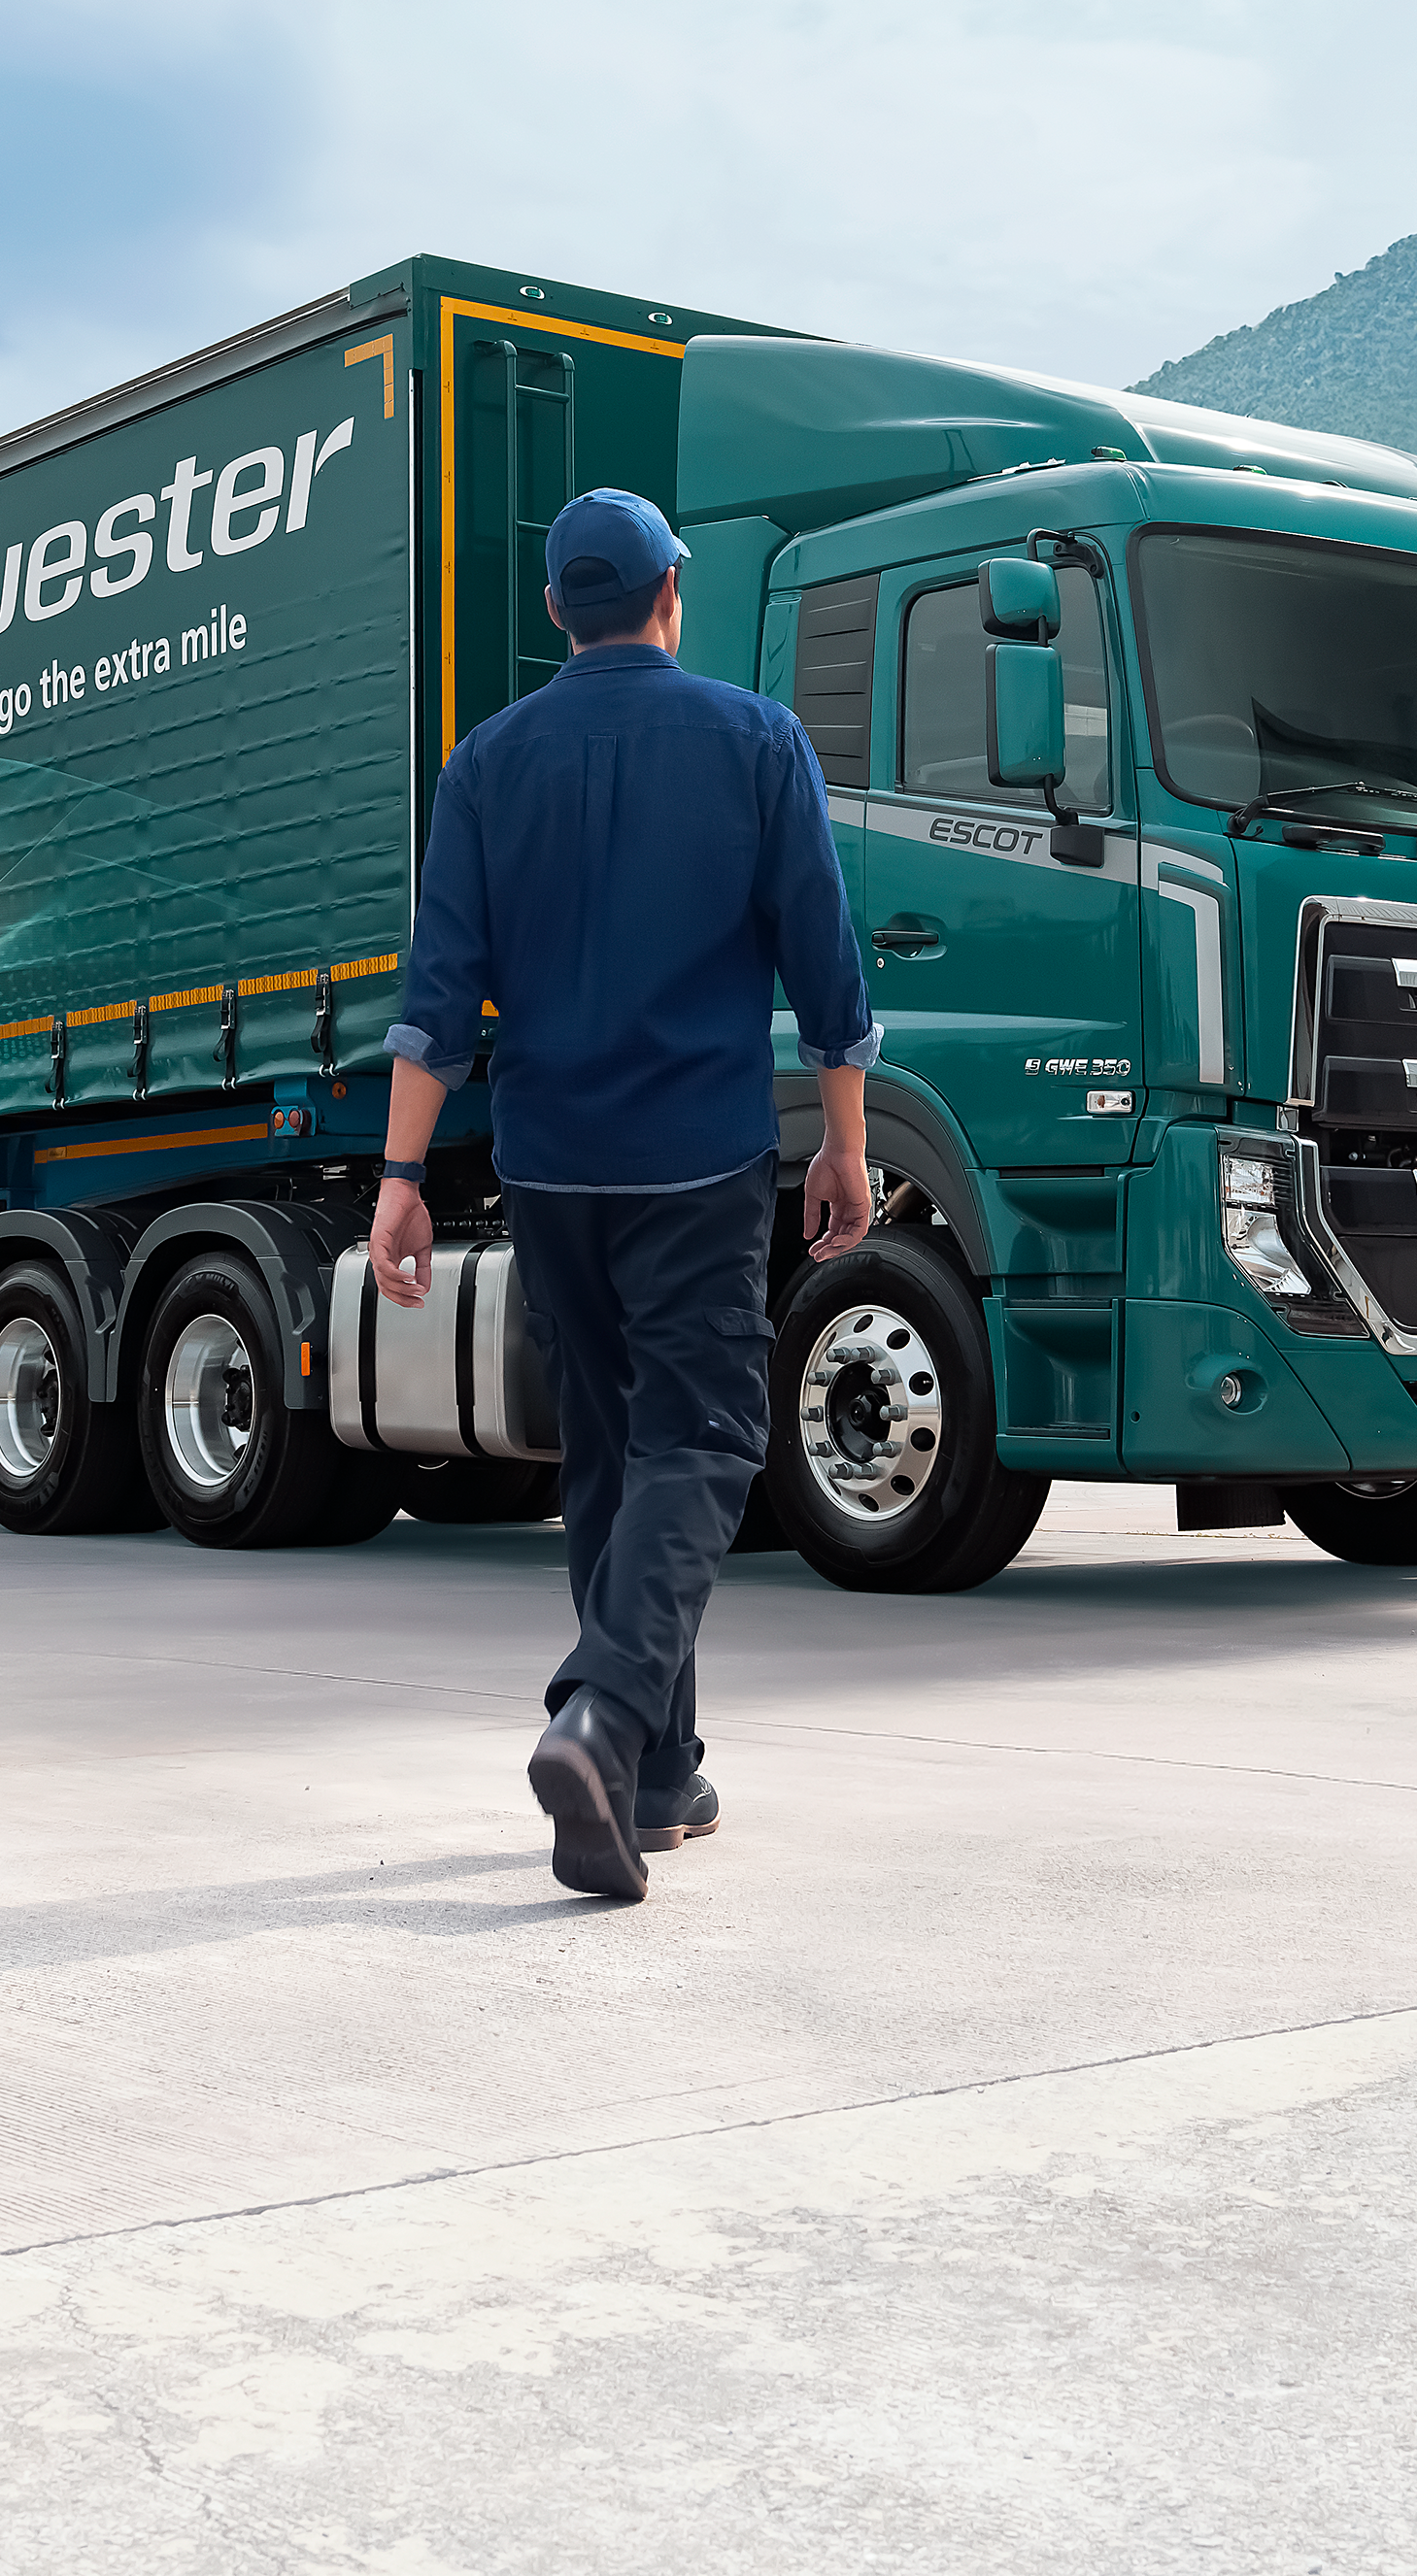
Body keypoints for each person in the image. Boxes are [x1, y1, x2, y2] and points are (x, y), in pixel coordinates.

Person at [376, 487, 879, 1903]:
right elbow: (827, 970)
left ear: (557, 610)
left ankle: (657, 1776)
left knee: (612, 1454)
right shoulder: (756, 740)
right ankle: (597, 1713)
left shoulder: (487, 762)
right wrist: (843, 1144)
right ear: (674, 588)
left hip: (549, 1164)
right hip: (699, 1156)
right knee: (708, 1438)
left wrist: (402, 1179)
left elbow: (436, 997)